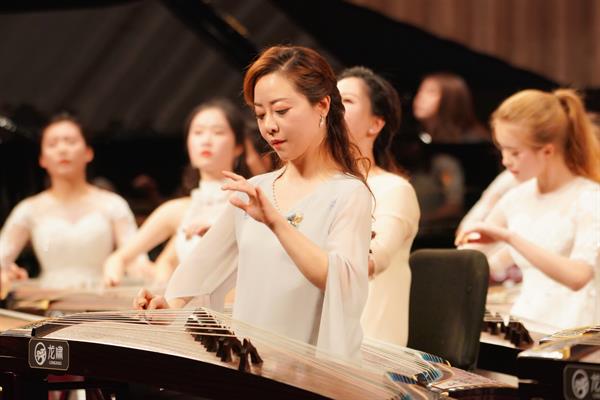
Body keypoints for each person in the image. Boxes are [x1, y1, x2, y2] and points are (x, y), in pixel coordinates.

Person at [134, 45, 372, 360]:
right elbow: (205, 268)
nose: (269, 125)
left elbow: (342, 282)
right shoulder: (255, 189)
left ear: (322, 105)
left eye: (281, 111)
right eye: (261, 114)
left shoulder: (349, 193)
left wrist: (276, 222)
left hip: (310, 372)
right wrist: (168, 307)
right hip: (253, 368)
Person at [457, 89, 600, 331]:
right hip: (528, 324)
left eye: (515, 152)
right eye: (502, 150)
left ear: (547, 151)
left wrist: (510, 238)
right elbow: (474, 255)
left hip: (575, 332)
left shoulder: (589, 197)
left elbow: (578, 277)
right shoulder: (517, 197)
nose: (505, 160)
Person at [103, 99, 248, 285]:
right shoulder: (178, 210)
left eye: (218, 132)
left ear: (238, 146)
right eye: (198, 133)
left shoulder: (250, 203)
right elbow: (119, 258)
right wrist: (114, 273)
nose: (206, 140)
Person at [0, 113, 140, 288]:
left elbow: (136, 261)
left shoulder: (113, 204)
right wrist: (8, 272)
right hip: (48, 299)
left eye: (71, 142)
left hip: (103, 298)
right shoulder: (28, 209)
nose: (62, 149)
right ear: (42, 159)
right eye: (52, 144)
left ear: (88, 153)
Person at [337, 66, 419, 346]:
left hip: (369, 349)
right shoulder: (316, 187)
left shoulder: (394, 190)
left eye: (346, 101)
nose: (333, 108)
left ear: (375, 125)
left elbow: (374, 260)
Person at [411, 73, 494, 234]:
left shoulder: (472, 142)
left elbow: (456, 204)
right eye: (420, 91)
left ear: (451, 100)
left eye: (431, 92)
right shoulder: (419, 138)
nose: (420, 98)